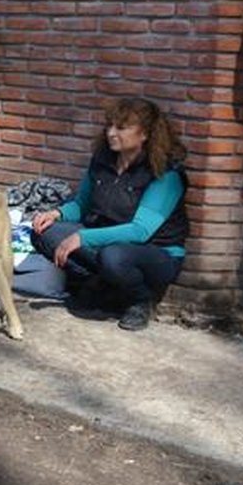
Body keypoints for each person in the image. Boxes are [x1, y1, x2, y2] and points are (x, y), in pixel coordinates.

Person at [31, 98, 189, 332]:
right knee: (43, 232)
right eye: (110, 126)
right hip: (106, 243)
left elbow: (140, 231)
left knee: (113, 257)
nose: (111, 133)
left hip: (156, 253)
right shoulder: (102, 161)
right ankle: (99, 285)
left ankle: (140, 301)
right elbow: (82, 205)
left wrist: (83, 238)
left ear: (144, 134)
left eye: (121, 128)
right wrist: (57, 213)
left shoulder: (165, 174)